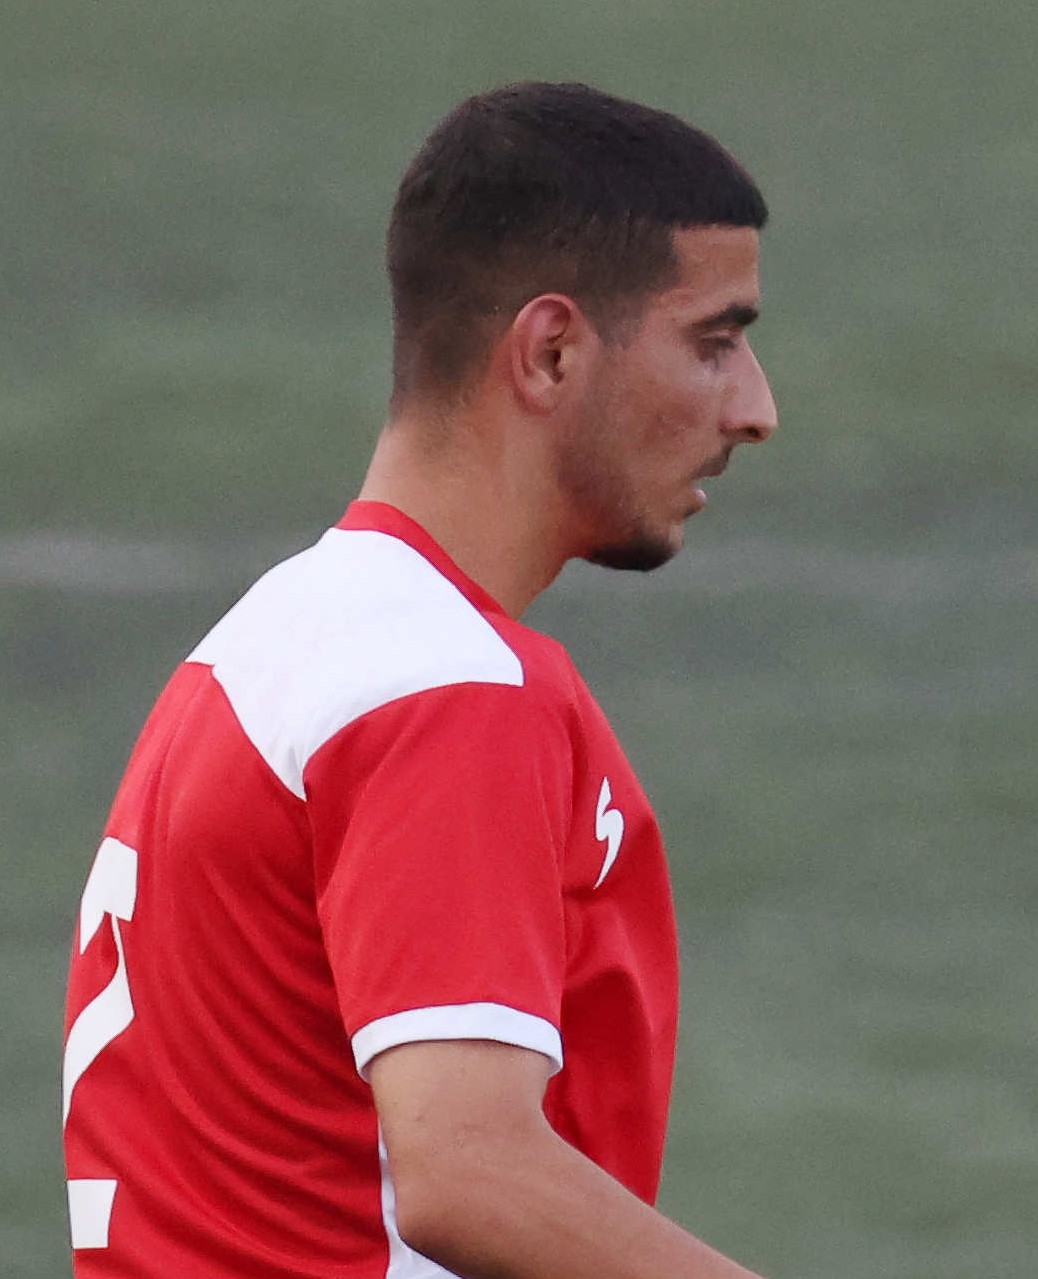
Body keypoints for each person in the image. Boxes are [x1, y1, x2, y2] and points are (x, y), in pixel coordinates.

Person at [62, 82, 778, 1278]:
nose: (756, 409)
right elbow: (470, 1170)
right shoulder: (444, 686)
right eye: (714, 342)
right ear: (551, 351)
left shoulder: (271, 643)